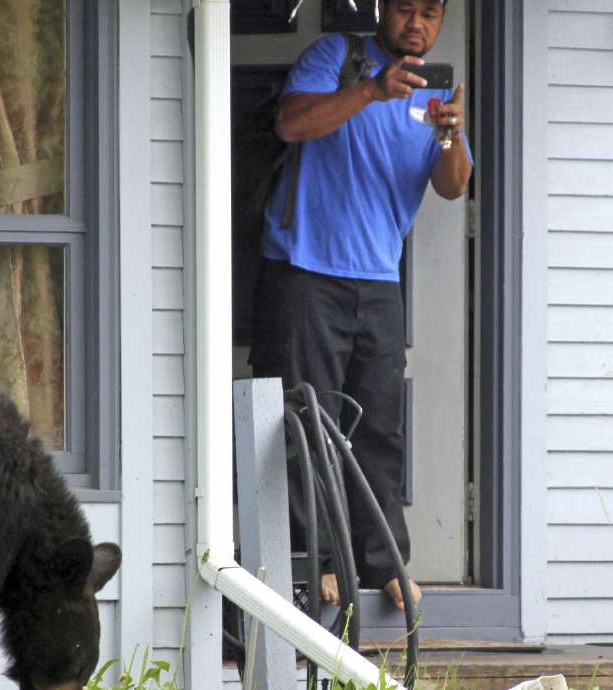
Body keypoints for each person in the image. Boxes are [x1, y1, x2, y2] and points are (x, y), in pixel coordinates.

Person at [248, 0, 472, 611]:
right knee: (301, 422)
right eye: (405, 9)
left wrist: (450, 133)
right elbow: (293, 124)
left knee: (378, 428)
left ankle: (383, 564)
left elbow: (453, 186)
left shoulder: (434, 92)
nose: (416, 24)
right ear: (384, 10)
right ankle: (312, 559)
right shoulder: (336, 58)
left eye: (430, 13)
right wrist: (372, 89)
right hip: (304, 268)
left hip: (378, 279)